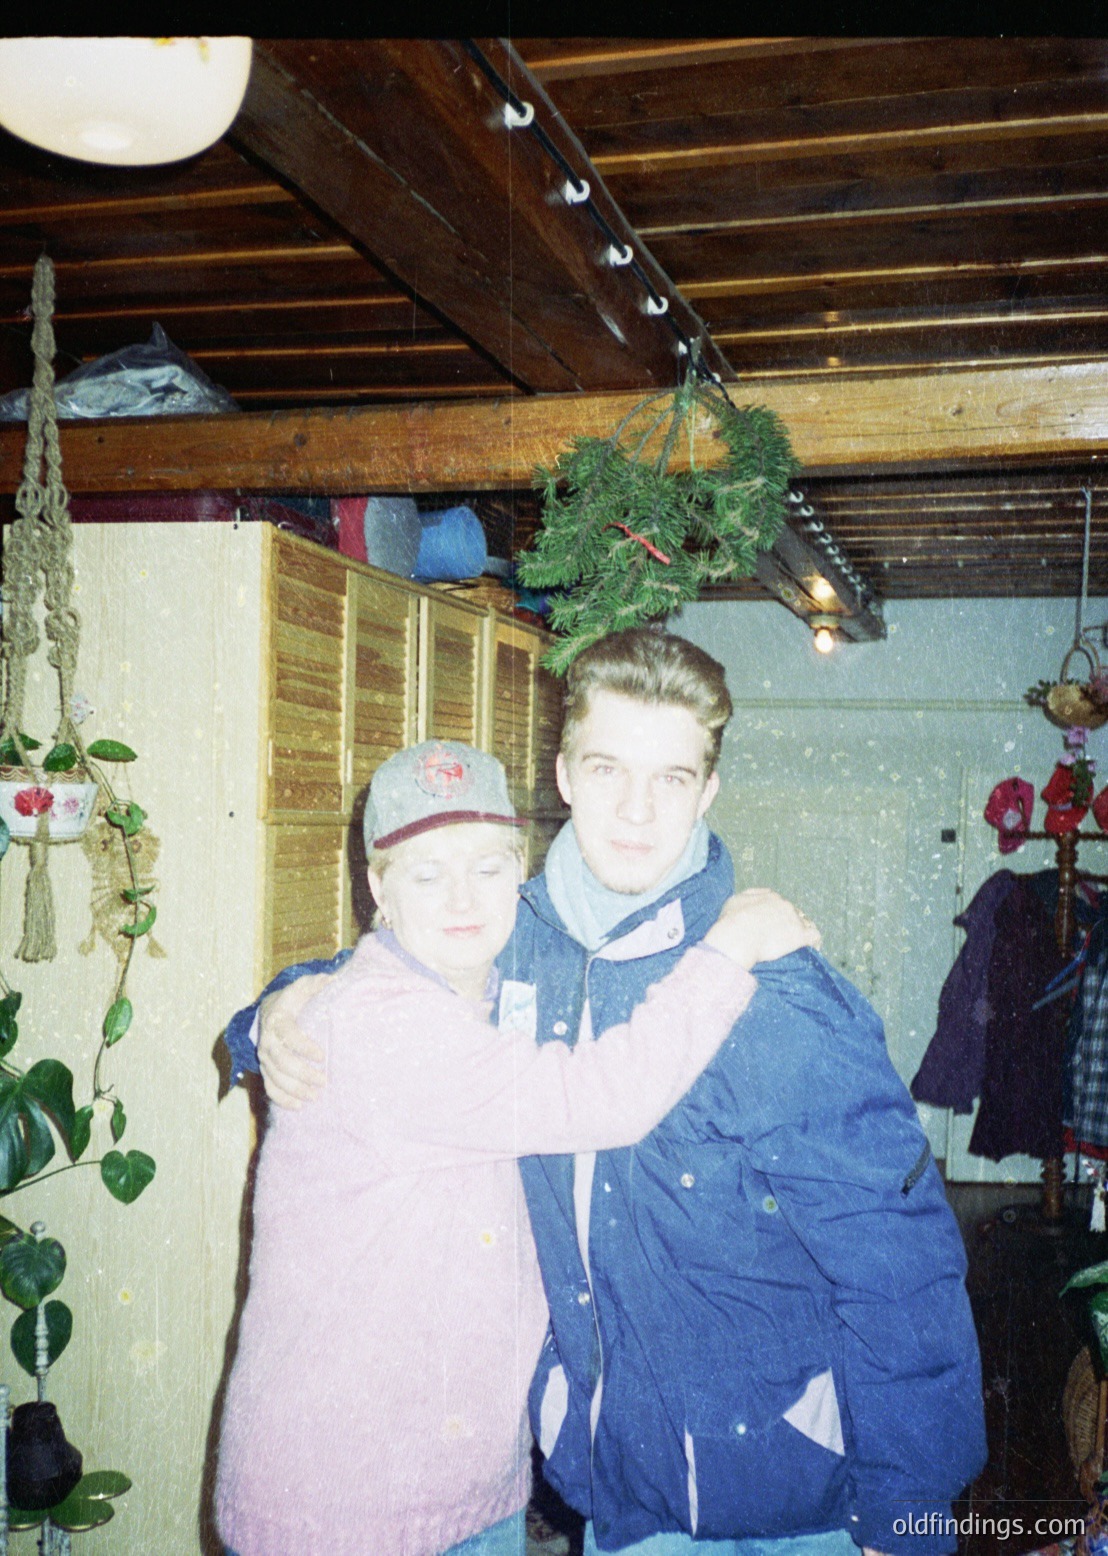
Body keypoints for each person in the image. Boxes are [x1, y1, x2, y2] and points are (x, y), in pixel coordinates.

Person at [229, 629, 986, 1556]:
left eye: (670, 778)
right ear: (563, 777)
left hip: (793, 1504)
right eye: (607, 768)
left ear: (707, 792)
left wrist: (910, 1519)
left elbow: (901, 1267)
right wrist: (270, 1012)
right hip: (617, 1497)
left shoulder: (776, 993)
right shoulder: (511, 944)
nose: (635, 810)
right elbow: (393, 968)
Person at [215, 737, 818, 1556]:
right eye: (427, 873)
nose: (464, 897)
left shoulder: (500, 992)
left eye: (490, 868)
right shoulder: (378, 1021)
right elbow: (603, 1098)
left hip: (470, 1490)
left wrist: (280, 999)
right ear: (377, 889)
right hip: (340, 1501)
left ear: (521, 872)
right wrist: (729, 949)